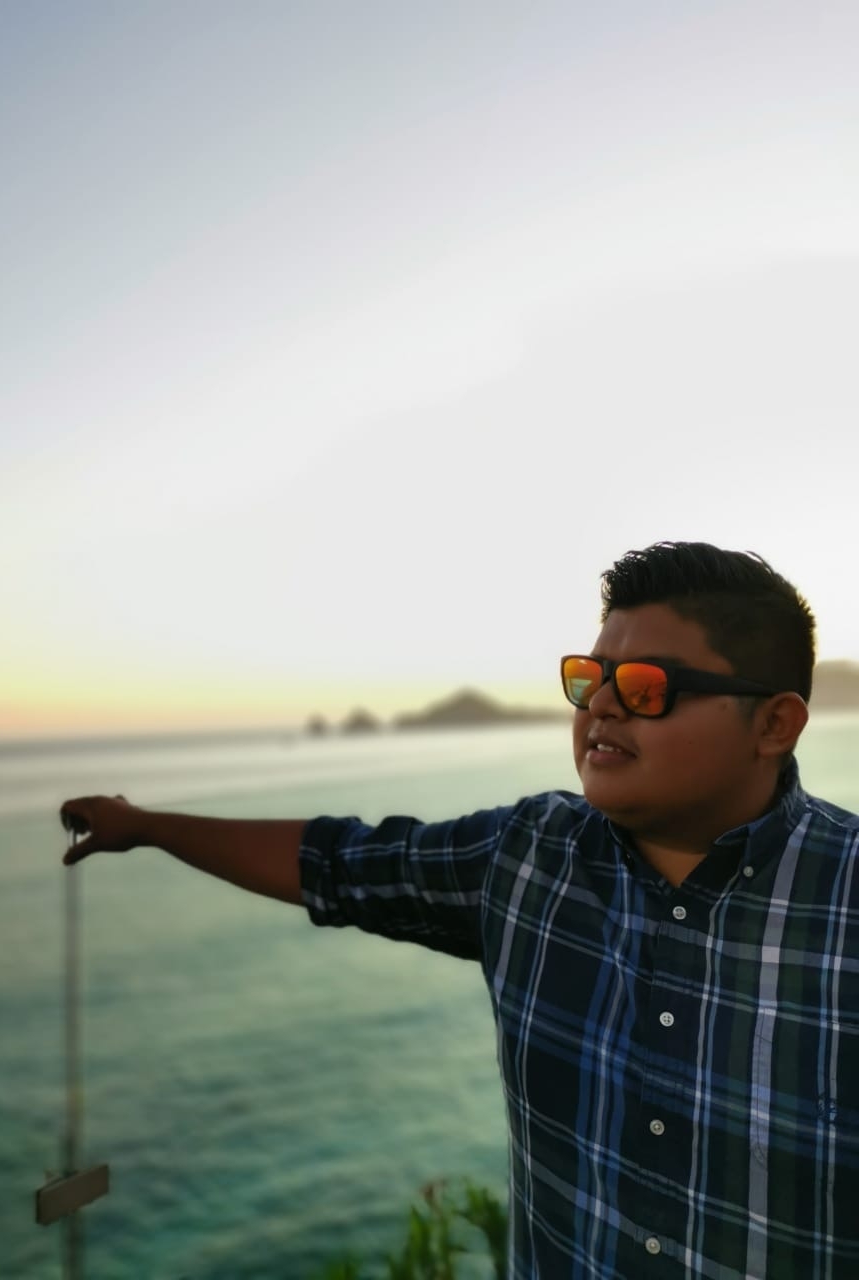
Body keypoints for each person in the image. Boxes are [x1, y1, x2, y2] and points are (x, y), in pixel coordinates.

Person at [60, 540, 859, 1280]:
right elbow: (338, 863)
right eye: (590, 679)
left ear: (774, 724)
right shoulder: (529, 856)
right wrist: (149, 827)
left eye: (647, 688)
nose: (603, 708)